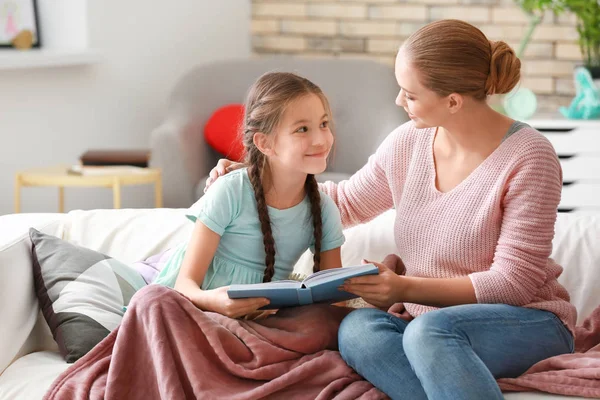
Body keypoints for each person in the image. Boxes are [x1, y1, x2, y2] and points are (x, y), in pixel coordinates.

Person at [204, 19, 577, 399]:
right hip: (423, 324)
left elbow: (512, 284)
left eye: (410, 94)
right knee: (357, 331)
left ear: (452, 101)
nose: (399, 102)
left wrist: (403, 288)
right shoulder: (407, 143)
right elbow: (344, 202)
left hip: (526, 323)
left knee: (430, 334)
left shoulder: (530, 156)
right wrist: (261, 180)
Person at [154, 71, 345, 319]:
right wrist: (215, 302)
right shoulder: (231, 191)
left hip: (258, 318)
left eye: (323, 124)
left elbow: (335, 303)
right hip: (195, 307)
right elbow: (184, 285)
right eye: (302, 129)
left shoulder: (324, 209)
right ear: (265, 143)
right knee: (155, 306)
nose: (320, 139)